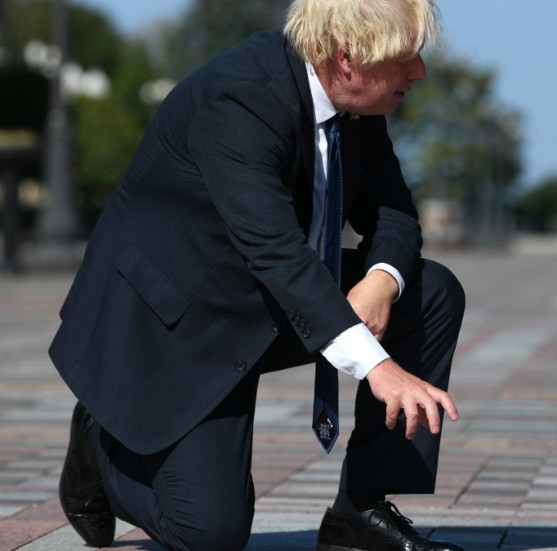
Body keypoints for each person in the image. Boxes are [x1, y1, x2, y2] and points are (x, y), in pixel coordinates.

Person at [50, 1, 468, 550]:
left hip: (261, 299)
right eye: (407, 59)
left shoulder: (358, 104)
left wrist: (381, 282)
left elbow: (393, 213)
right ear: (348, 58)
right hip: (175, 323)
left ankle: (359, 514)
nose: (419, 72)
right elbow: (275, 251)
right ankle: (101, 447)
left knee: (430, 290)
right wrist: (377, 366)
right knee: (211, 533)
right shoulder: (242, 99)